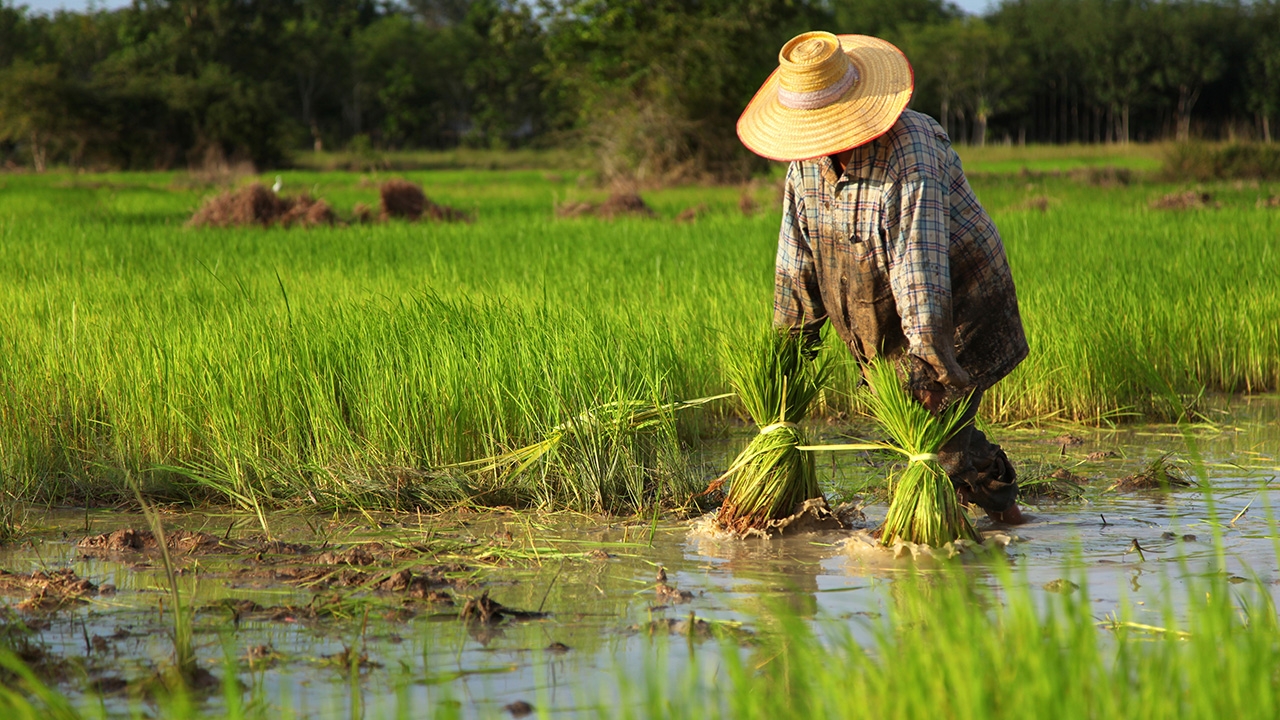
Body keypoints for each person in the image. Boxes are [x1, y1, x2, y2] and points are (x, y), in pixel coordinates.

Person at [736, 31, 1029, 524]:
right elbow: (795, 268)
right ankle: (984, 503)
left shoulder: (910, 152)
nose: (820, 140)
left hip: (958, 301)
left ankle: (1005, 519)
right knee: (918, 427)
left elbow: (922, 275)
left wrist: (929, 366)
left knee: (939, 435)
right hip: (877, 308)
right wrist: (784, 368)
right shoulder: (804, 169)